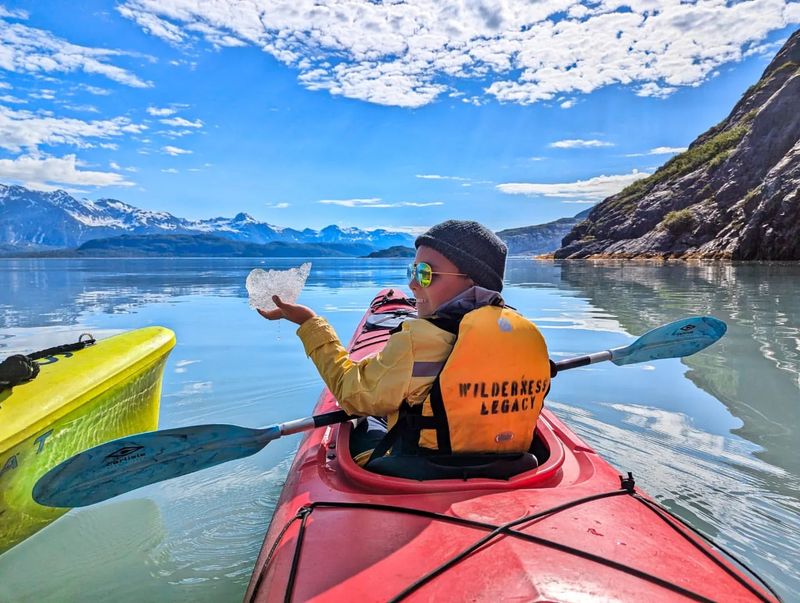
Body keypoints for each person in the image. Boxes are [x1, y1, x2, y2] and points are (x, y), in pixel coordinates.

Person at [259, 220, 551, 467]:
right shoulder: (525, 332)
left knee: (366, 420)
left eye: (425, 273)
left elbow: (351, 393)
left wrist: (309, 323)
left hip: (426, 467)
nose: (413, 284)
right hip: (514, 464)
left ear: (471, 281)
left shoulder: (417, 340)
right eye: (412, 272)